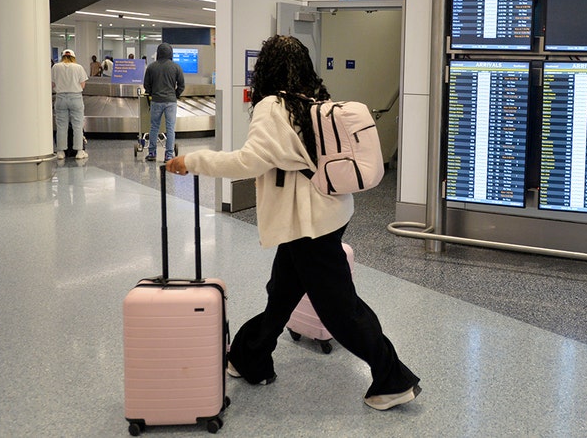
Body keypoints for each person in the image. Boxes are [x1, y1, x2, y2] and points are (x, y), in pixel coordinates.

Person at [165, 35, 421, 411]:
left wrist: (194, 161)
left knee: (341, 310)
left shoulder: (272, 105)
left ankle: (393, 378)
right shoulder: (312, 100)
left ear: (265, 68)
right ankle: (249, 357)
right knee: (282, 292)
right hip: (325, 214)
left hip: (307, 224)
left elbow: (249, 162)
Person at [142, 43, 184, 161]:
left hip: (156, 100)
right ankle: (169, 155)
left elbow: (146, 85)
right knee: (170, 127)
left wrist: (152, 94)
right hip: (171, 101)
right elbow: (181, 85)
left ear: (158, 52)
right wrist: (175, 95)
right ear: (170, 53)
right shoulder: (176, 67)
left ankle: (152, 153)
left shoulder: (151, 67)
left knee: (154, 127)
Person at [51, 49, 89, 160]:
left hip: (60, 97)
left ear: (63, 56)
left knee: (61, 125)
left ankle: (61, 152)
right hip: (75, 97)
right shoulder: (78, 67)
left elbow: (53, 84)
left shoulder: (55, 67)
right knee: (77, 126)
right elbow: (82, 85)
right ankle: (79, 151)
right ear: (73, 57)